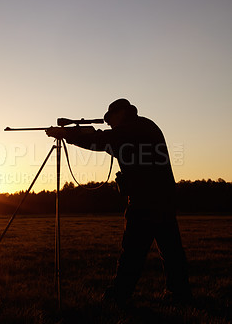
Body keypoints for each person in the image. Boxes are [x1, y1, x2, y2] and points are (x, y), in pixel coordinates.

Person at [46, 98, 192, 306]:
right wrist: (76, 135)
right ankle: (180, 294)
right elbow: (108, 141)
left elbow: (105, 140)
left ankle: (119, 296)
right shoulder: (142, 127)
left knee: (133, 251)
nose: (109, 123)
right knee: (170, 250)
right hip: (160, 197)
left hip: (146, 200)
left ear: (121, 112)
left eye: (110, 118)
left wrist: (68, 135)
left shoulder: (133, 129)